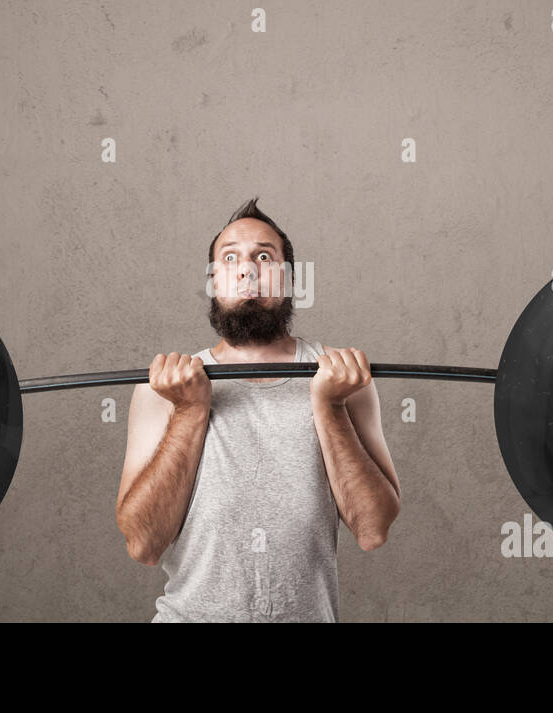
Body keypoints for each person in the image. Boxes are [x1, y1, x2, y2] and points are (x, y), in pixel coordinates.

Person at [115, 197, 401, 622]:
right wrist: (189, 412)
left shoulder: (342, 381)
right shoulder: (165, 390)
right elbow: (143, 544)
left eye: (263, 257)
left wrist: (330, 405)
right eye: (229, 259)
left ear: (289, 280)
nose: (246, 269)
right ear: (214, 282)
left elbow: (373, 529)